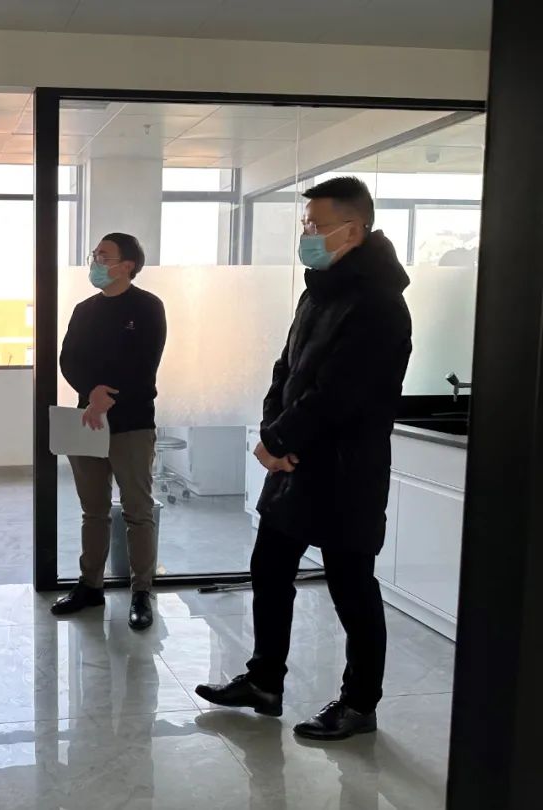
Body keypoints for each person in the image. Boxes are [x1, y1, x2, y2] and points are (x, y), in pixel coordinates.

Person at [196, 176, 412, 742]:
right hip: (294, 464)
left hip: (344, 471)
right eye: (305, 224)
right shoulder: (318, 292)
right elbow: (286, 370)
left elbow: (339, 394)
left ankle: (359, 704)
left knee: (351, 586)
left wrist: (279, 441)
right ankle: (264, 681)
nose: (307, 234)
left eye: (317, 225)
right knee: (269, 569)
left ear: (353, 230)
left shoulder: (379, 305)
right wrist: (273, 433)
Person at [51, 233, 167, 631]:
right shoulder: (84, 309)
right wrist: (92, 392)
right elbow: (68, 359)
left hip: (132, 422)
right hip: (88, 421)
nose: (96, 261)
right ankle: (90, 585)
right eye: (95, 255)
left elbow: (144, 364)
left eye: (104, 256)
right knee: (93, 510)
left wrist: (106, 396)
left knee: (137, 510)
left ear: (127, 265)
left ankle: (141, 592)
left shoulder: (148, 307)